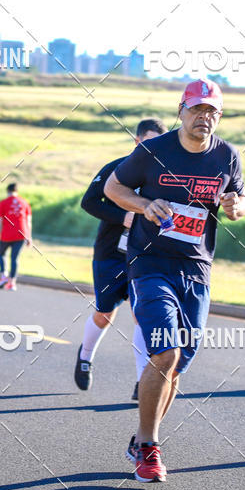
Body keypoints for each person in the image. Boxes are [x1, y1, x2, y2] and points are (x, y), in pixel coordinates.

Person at [105, 79, 245, 483]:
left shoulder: (227, 156)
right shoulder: (154, 150)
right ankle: (149, 447)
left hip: (196, 269)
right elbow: (113, 187)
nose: (205, 117)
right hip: (150, 263)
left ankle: (140, 438)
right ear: (181, 111)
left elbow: (239, 198)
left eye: (212, 112)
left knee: (180, 360)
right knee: (165, 351)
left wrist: (237, 204)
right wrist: (145, 203)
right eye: (197, 109)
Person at [75, 118, 167, 398]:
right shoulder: (117, 168)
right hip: (110, 254)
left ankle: (142, 382)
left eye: (156, 144)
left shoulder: (164, 175)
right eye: (146, 142)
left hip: (145, 257)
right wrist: (124, 217)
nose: (150, 149)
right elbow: (89, 202)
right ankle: (85, 356)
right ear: (136, 141)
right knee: (105, 313)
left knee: (142, 316)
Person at [0, 183, 31, 291]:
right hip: (21, 234)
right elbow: (28, 222)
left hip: (6, 235)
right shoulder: (24, 203)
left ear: (7, 191)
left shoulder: (3, 203)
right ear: (17, 191)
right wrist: (29, 237)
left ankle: (4, 276)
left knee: (2, 255)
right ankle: (12, 283)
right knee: (15, 258)